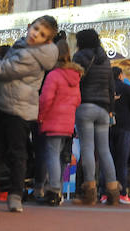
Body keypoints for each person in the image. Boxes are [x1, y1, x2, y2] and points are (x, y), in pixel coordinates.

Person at [0, 15, 59, 213]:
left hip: (19, 109)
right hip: (6, 104)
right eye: (35, 29)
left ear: (47, 40)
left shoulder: (31, 56)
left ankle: (14, 194)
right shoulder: (23, 46)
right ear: (29, 27)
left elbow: (4, 70)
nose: (35, 34)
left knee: (15, 153)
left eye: (41, 34)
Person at [72, 28, 119, 206]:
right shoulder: (105, 59)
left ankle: (90, 193)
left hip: (85, 106)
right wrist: (111, 109)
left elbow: (75, 81)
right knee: (105, 150)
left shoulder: (79, 57)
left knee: (87, 149)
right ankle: (113, 192)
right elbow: (111, 86)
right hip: (103, 109)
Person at [36, 39, 83, 206]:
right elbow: (77, 100)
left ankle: (54, 190)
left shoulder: (54, 74)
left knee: (52, 155)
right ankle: (59, 190)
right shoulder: (75, 76)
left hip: (53, 121)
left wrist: (41, 116)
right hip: (68, 123)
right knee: (61, 157)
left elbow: (46, 98)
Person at [109, 66, 130, 204]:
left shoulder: (106, 88)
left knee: (107, 160)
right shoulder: (127, 89)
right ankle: (121, 194)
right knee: (122, 162)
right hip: (125, 127)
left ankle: (105, 193)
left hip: (107, 127)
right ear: (121, 75)